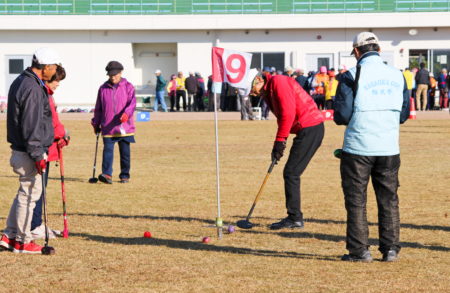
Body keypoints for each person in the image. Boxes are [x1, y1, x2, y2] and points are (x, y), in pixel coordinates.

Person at [334, 32, 410, 263]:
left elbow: (342, 115)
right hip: (389, 146)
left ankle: (359, 252)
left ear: (357, 52)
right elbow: (404, 114)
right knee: (389, 199)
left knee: (356, 200)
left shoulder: (350, 75)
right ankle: (390, 250)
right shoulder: (398, 75)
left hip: (358, 147)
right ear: (378, 49)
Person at [1, 47, 60, 254]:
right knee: (29, 195)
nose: (55, 72)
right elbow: (31, 125)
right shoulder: (33, 88)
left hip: (21, 149)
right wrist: (37, 155)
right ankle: (23, 241)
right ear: (47, 67)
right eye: (55, 68)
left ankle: (9, 235)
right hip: (29, 151)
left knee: (23, 194)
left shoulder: (21, 80)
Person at [250, 72, 325, 230]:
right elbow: (282, 117)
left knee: (291, 173)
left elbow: (288, 114)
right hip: (306, 129)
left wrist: (280, 141)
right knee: (291, 172)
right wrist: (278, 144)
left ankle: (295, 218)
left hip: (311, 127)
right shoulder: (268, 91)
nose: (251, 93)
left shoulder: (278, 82)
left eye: (250, 89)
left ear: (258, 80)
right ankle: (294, 217)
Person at [30, 65, 70, 240]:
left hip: (47, 145)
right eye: (57, 80)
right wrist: (63, 134)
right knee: (38, 187)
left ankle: (36, 223)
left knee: (40, 186)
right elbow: (51, 122)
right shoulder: (43, 94)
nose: (58, 84)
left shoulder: (47, 94)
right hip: (41, 147)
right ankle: (34, 225)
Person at [91, 61, 136, 184]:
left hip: (124, 128)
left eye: (115, 74)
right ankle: (106, 174)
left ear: (121, 72)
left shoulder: (129, 86)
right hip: (108, 127)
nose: (113, 77)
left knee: (125, 154)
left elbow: (132, 104)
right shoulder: (102, 88)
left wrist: (126, 114)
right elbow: (98, 108)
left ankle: (124, 175)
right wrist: (96, 124)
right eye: (110, 75)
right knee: (107, 153)